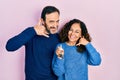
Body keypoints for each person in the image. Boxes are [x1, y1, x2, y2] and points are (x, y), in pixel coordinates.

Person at [6, 6, 60, 80]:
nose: (55, 25)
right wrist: (33, 31)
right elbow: (9, 46)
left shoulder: (58, 38)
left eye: (57, 21)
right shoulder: (31, 33)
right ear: (42, 21)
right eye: (51, 21)